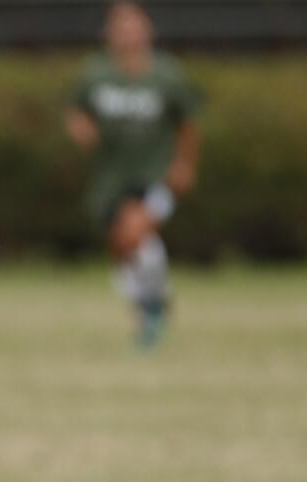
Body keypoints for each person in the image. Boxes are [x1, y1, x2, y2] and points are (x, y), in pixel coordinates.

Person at [66, 2, 201, 348]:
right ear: (107, 33)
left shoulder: (167, 74)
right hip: (111, 180)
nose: (127, 32)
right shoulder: (96, 73)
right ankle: (152, 302)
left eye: (133, 24)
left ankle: (153, 305)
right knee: (123, 247)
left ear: (148, 30)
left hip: (156, 175)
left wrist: (185, 165)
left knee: (134, 231)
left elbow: (188, 122)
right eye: (119, 25)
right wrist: (81, 128)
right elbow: (76, 110)